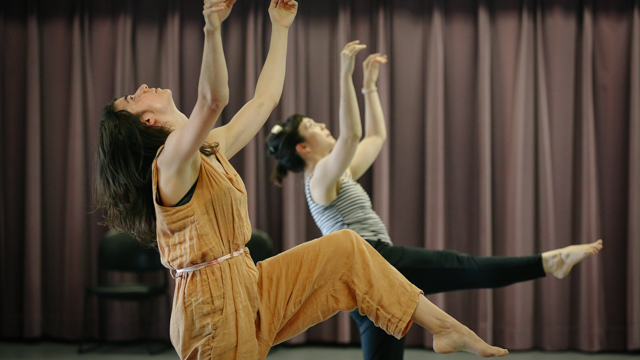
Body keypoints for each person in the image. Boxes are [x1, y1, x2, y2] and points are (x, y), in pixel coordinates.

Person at [94, 1, 508, 359]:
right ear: (147, 121)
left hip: (248, 280)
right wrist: (211, 28)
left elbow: (263, 101)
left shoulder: (208, 148)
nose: (144, 87)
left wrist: (280, 28)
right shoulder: (168, 165)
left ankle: (446, 329)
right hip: (210, 306)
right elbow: (213, 99)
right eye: (134, 96)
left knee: (347, 247)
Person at [266, 41, 603, 360]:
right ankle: (548, 263)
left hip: (368, 273)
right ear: (303, 148)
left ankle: (548, 263)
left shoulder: (338, 173)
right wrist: (344, 75)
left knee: (385, 351)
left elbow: (375, 136)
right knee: (463, 267)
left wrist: (369, 87)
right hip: (376, 259)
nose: (324, 125)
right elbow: (352, 135)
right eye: (312, 125)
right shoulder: (320, 178)